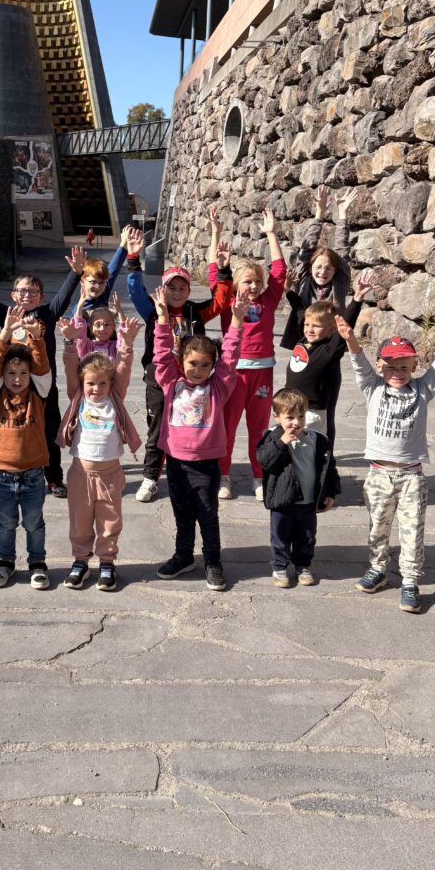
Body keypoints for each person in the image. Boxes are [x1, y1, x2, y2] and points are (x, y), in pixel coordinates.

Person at [336, 314, 435, 614]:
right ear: (380, 366)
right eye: (390, 366)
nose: (397, 372)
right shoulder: (372, 387)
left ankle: (410, 582)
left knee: (411, 531)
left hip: (410, 476)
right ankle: (378, 569)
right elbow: (357, 361)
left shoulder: (422, 389)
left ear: (414, 367)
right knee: (378, 528)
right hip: (378, 475)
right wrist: (350, 339)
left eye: (404, 367)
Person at [0, 242, 85, 499]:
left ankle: (54, 478)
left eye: (33, 291)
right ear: (14, 295)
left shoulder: (48, 313)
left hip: (43, 387)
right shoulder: (8, 315)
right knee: (17, 430)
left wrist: (76, 272)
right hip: (13, 389)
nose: (27, 295)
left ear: (41, 296)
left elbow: (65, 295)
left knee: (50, 432)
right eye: (22, 291)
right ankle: (15, 473)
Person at [153, 284, 250, 591]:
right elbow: (160, 356)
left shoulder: (218, 387)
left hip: (206, 465)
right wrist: (162, 321)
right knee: (182, 515)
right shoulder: (171, 382)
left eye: (205, 365)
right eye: (192, 363)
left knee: (208, 517)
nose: (198, 369)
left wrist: (235, 322)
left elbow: (230, 358)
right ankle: (183, 556)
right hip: (177, 465)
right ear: (181, 362)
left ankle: (212, 561)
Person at [126, 226, 233, 502]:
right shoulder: (153, 308)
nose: (176, 292)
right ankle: (150, 477)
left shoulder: (194, 312)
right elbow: (135, 289)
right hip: (159, 377)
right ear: (163, 288)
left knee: (190, 424)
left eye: (181, 287)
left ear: (188, 290)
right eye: (171, 287)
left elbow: (221, 301)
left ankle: (185, 468)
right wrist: (133, 258)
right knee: (156, 426)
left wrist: (223, 270)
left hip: (191, 380)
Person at [206, 206, 287, 502]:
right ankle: (223, 476)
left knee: (259, 429)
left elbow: (280, 273)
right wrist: (215, 232)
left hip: (262, 374)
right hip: (233, 373)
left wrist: (271, 234)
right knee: (226, 429)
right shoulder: (226, 300)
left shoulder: (268, 298)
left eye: (256, 281)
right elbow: (214, 273)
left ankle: (258, 476)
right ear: (237, 284)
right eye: (247, 282)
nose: (252, 286)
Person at [56, 315, 143, 592]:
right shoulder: (78, 397)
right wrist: (70, 342)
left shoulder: (114, 396)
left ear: (110, 383)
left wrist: (126, 344)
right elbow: (71, 368)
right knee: (80, 523)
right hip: (80, 473)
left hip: (110, 474)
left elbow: (123, 369)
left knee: (109, 522)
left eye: (102, 383)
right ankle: (80, 561)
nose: (96, 389)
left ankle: (107, 563)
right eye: (91, 383)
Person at [281, 185, 359, 448]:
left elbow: (342, 252)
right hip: (303, 349)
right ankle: (294, 443)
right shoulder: (304, 283)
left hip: (328, 350)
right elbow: (305, 250)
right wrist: (319, 213)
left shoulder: (338, 285)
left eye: (328, 267)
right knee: (294, 402)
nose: (322, 271)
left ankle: (327, 456)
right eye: (318, 266)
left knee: (326, 409)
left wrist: (342, 216)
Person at [0, 305, 53, 590]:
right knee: (6, 523)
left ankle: (37, 563)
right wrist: (5, 334)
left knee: (34, 523)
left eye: (23, 373)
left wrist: (36, 339)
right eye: (11, 373)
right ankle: (5, 563)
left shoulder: (39, 392)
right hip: (2, 475)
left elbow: (42, 368)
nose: (16, 379)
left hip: (34, 474)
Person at [256, 387, 339, 588]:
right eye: (290, 417)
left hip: (308, 501)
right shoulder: (272, 438)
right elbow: (265, 461)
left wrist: (331, 492)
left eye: (301, 416)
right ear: (277, 417)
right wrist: (282, 443)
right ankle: (280, 567)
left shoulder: (317, 440)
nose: (296, 422)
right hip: (282, 501)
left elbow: (329, 467)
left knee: (307, 536)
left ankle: (303, 566)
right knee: (280, 536)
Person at [284, 278, 373, 445]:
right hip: (290, 405)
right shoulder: (304, 339)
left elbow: (344, 328)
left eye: (316, 326)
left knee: (311, 448)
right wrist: (288, 291)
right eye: (307, 325)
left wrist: (357, 300)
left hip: (312, 412)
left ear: (331, 329)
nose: (309, 329)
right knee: (291, 447)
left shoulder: (328, 351)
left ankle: (322, 467)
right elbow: (300, 310)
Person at [66, 286, 124, 360]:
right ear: (91, 327)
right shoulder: (86, 346)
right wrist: (80, 306)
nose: (102, 328)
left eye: (107, 324)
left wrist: (120, 312)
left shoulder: (115, 347)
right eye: (97, 325)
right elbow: (80, 332)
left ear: (113, 327)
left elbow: (124, 336)